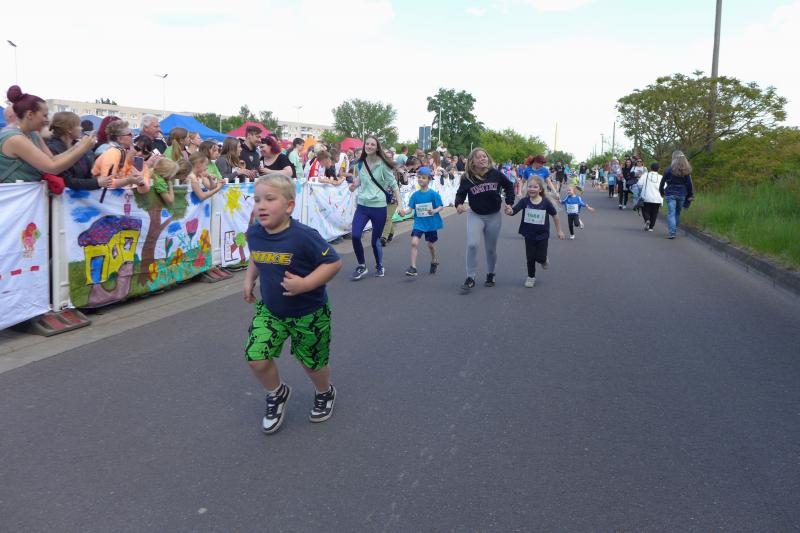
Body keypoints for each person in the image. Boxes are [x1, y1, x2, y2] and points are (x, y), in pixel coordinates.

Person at [242, 173, 343, 434]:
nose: (261, 206)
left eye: (269, 199)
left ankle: (325, 391)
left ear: (289, 206)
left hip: (309, 313)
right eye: (257, 200)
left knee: (312, 363)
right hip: (271, 311)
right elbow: (256, 255)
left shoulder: (304, 236)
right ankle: (277, 393)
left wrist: (306, 284)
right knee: (256, 357)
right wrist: (249, 279)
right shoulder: (255, 232)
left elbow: (333, 262)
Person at [1, 86, 95, 185]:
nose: (48, 120)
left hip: (26, 193)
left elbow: (52, 159)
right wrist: (83, 149)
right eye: (44, 115)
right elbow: (52, 167)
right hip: (14, 194)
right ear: (30, 114)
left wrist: (77, 147)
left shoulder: (33, 133)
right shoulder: (15, 138)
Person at [454, 147, 515, 291]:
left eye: (484, 156)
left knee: (491, 249)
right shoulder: (467, 177)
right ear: (472, 161)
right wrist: (459, 204)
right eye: (479, 157)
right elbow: (460, 194)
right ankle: (470, 277)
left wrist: (509, 202)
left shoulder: (496, 174)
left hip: (494, 215)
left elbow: (509, 186)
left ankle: (491, 274)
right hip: (475, 215)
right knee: (472, 244)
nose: (483, 159)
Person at [348, 135, 400, 280]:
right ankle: (361, 265)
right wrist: (354, 186)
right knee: (355, 235)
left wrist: (401, 205)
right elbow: (360, 180)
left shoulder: (382, 164)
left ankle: (379, 265)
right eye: (367, 144)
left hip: (378, 207)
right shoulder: (360, 163)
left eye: (373, 144)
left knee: (374, 240)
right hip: (362, 205)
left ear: (377, 148)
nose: (369, 146)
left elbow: (394, 186)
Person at [505, 176, 565, 288]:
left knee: (540, 257)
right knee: (530, 257)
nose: (532, 189)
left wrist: (559, 230)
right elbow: (514, 211)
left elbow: (555, 215)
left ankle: (543, 260)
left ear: (540, 189)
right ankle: (531, 277)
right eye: (530, 186)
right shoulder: (524, 201)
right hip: (529, 234)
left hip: (542, 235)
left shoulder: (546, 202)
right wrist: (509, 211)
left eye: (535, 187)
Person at [396, 166, 444, 276]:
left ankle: (434, 260)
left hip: (431, 224)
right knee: (414, 243)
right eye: (419, 177)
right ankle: (413, 267)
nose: (420, 179)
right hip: (419, 223)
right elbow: (410, 209)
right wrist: (403, 213)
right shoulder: (415, 195)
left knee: (430, 245)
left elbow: (441, 206)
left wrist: (434, 210)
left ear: (429, 180)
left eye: (423, 177)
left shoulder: (433, 194)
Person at [46, 112, 107, 190]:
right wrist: (96, 182)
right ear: (69, 129)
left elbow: (87, 173)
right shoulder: (53, 148)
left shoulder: (78, 145)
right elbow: (66, 181)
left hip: (81, 195)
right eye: (79, 125)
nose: (81, 128)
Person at [91, 120, 150, 193]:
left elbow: (144, 190)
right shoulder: (113, 153)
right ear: (120, 139)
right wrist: (128, 180)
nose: (133, 136)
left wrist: (140, 182)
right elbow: (106, 183)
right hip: (98, 197)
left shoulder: (137, 160)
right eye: (130, 134)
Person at [659, 151, 694, 239]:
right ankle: (674, 230)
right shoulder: (686, 171)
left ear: (673, 158)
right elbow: (689, 184)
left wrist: (661, 192)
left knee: (671, 213)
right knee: (677, 213)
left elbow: (662, 182)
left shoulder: (669, 169)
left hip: (670, 193)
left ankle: (672, 232)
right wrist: (690, 195)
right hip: (682, 194)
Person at [638, 162, 663, 232]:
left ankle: (647, 220)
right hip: (657, 198)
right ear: (658, 169)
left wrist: (642, 189)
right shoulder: (661, 177)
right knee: (654, 213)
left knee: (645, 210)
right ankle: (651, 227)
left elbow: (639, 184)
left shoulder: (645, 175)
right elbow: (664, 187)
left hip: (646, 197)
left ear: (650, 168)